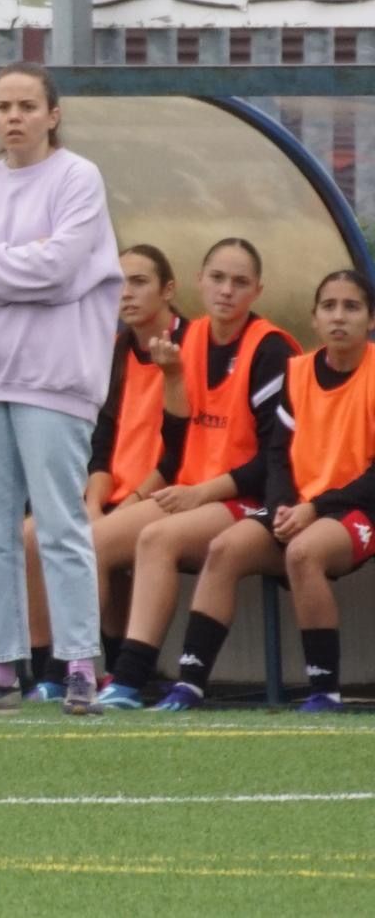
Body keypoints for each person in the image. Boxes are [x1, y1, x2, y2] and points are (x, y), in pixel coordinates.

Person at [0, 61, 123, 717]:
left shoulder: (78, 179)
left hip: (54, 381)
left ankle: (78, 667)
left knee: (61, 524)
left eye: (26, 105)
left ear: (52, 113)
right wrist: (18, 265)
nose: (13, 116)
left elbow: (62, 270)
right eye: (3, 106)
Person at [148, 271, 375, 712]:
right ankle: (189, 684)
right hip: (301, 508)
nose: (339, 316)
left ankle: (323, 692)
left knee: (304, 553)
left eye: (351, 307)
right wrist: (282, 507)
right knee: (225, 548)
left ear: (370, 320)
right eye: (329, 306)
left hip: (357, 509)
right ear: (314, 318)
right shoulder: (300, 372)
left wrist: (315, 509)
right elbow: (277, 455)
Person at [95, 239, 300, 708]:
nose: (227, 290)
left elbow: (276, 455)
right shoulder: (188, 340)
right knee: (95, 543)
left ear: (257, 290)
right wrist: (170, 378)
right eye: (218, 278)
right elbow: (176, 439)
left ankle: (130, 678)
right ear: (199, 282)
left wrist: (199, 492)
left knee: (157, 539)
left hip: (247, 495)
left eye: (240, 282)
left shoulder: (269, 347)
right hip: (194, 493)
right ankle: (85, 670)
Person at [24, 244, 187, 700]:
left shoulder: (189, 346)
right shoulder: (113, 351)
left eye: (139, 282)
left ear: (168, 289)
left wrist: (126, 505)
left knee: (90, 543)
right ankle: (46, 673)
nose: (126, 293)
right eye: (118, 283)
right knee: (31, 535)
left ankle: (67, 669)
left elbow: (180, 450)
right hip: (117, 494)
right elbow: (101, 445)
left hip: (170, 492)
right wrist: (94, 501)